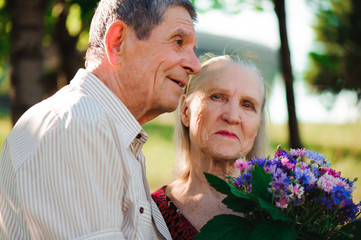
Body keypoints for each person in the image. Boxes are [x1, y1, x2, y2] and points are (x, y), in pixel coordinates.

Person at [0, 0, 201, 239]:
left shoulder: (108, 131)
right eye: (178, 42)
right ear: (117, 42)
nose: (195, 65)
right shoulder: (78, 125)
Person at [151, 55, 269, 240]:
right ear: (185, 111)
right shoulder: (150, 214)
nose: (232, 116)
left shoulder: (285, 210)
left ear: (258, 124)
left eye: (247, 105)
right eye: (217, 97)